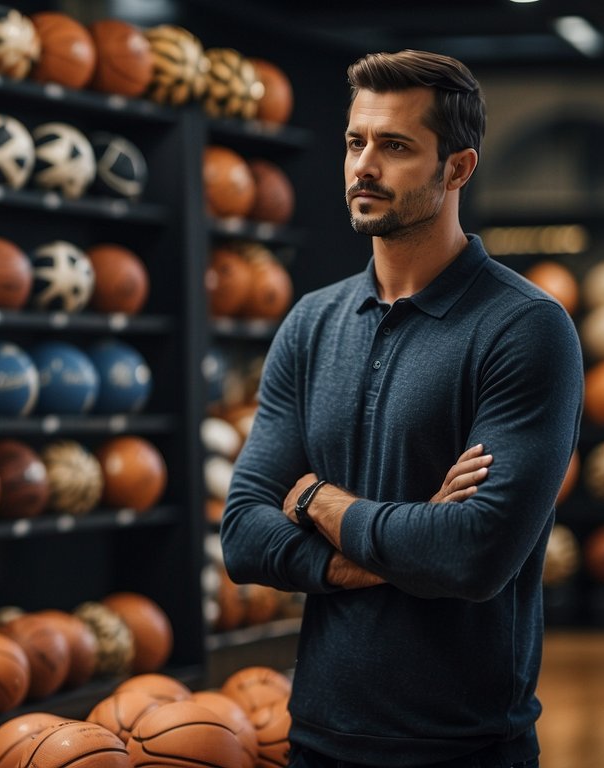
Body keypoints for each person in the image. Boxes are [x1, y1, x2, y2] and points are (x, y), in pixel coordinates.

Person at [219, 50, 583, 768]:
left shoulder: (526, 328)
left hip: (467, 748)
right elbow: (241, 534)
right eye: (357, 142)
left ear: (458, 169)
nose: (364, 166)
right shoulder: (311, 322)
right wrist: (393, 551)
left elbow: (474, 553)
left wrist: (320, 500)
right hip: (318, 739)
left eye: (395, 146)